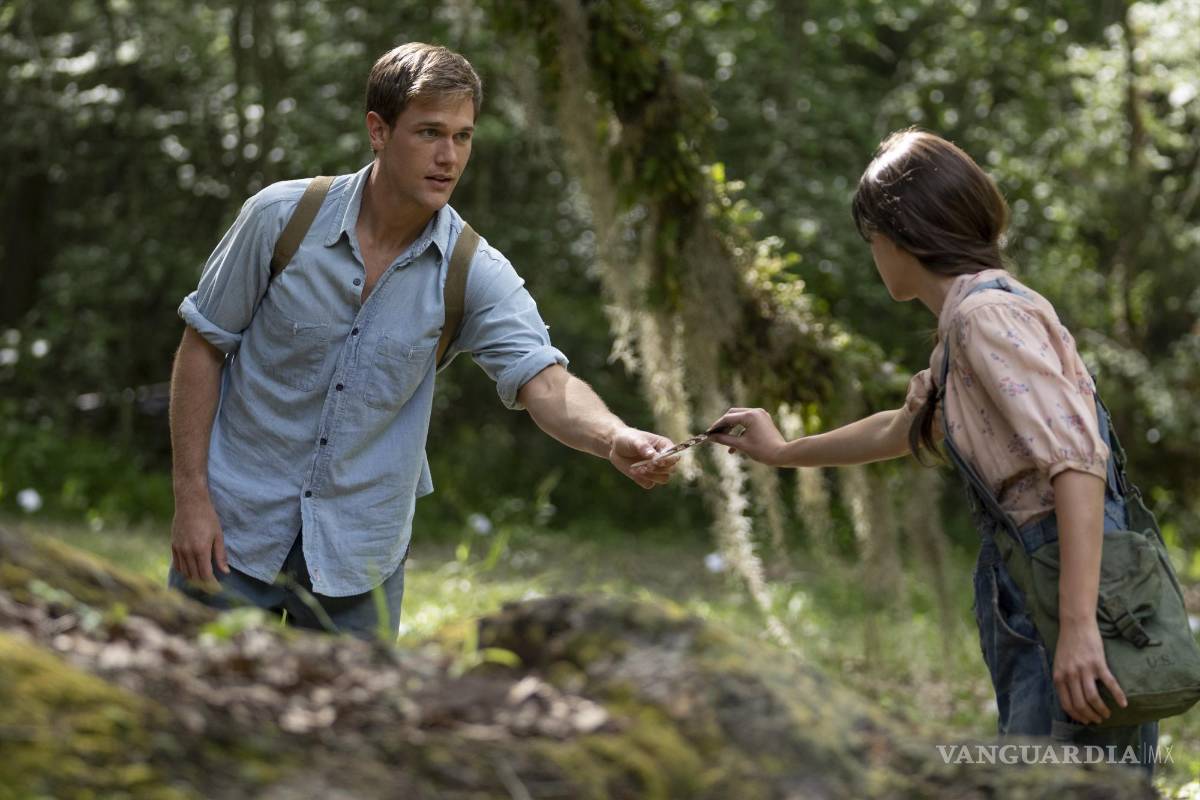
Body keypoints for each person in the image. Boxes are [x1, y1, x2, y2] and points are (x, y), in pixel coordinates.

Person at [168, 43, 678, 641]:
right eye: (430, 132)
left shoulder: (471, 269)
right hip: (231, 530)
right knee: (198, 716)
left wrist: (613, 436)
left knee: (356, 729)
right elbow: (203, 346)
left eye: (463, 137)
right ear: (378, 131)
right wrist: (192, 498)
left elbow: (544, 380)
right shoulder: (281, 219)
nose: (448, 157)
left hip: (359, 556)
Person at [703, 129, 1158, 769]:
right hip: (1039, 587)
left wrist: (1079, 627)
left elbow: (1078, 461)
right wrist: (781, 451)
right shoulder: (972, 324)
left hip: (1062, 589)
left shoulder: (985, 319)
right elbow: (905, 427)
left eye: (873, 238)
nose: (874, 253)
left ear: (903, 235)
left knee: (1062, 781)